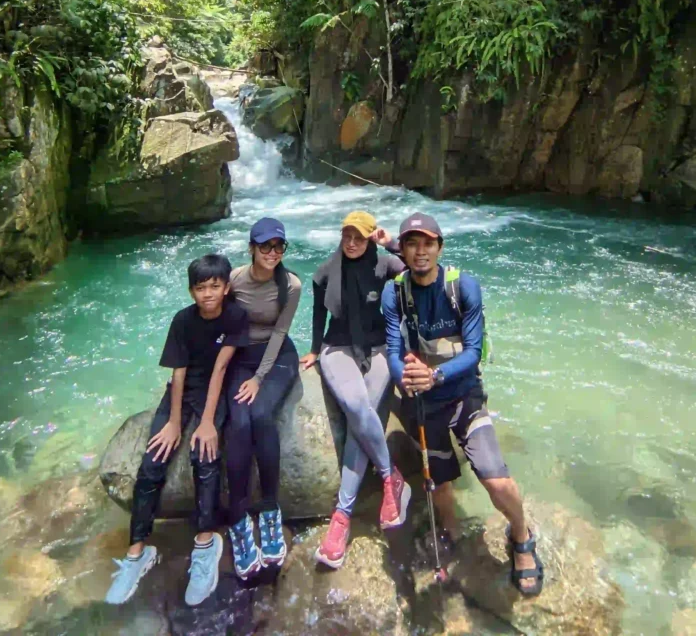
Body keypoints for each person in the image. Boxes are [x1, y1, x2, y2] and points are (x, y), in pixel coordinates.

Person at [382, 213, 544, 597]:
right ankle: (451, 531)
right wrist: (403, 376)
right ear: (402, 250)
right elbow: (391, 349)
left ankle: (521, 536)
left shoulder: (463, 287)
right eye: (412, 244)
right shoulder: (395, 292)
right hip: (423, 405)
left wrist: (435, 376)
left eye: (428, 243)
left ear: (439, 247)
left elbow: (473, 353)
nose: (420, 251)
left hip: (463, 397)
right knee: (438, 480)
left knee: (495, 477)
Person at [105, 254, 249, 607]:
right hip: (182, 392)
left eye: (215, 286)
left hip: (215, 390)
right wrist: (173, 422)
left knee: (205, 456)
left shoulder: (236, 316)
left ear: (226, 287)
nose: (208, 294)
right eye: (200, 288)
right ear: (190, 291)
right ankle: (138, 551)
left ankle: (206, 541)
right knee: (153, 462)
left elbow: (219, 371)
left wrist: (206, 422)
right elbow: (178, 374)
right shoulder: (182, 321)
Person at [300, 211, 411, 569]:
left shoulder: (385, 264)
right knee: (355, 404)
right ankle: (389, 476)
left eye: (359, 237)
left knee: (356, 423)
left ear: (368, 239)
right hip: (338, 348)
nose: (351, 243)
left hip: (378, 349)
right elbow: (318, 313)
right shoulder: (325, 271)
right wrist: (316, 350)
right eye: (347, 235)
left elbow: (423, 267)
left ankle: (341, 517)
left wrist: (390, 241)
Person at [202, 217, 300, 580]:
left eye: (278, 246)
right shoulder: (236, 280)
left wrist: (260, 379)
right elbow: (211, 315)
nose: (272, 253)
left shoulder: (291, 285)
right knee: (238, 422)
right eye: (265, 246)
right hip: (240, 358)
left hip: (277, 359)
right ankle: (240, 516)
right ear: (251, 248)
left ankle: (270, 508)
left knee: (260, 415)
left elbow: (279, 333)